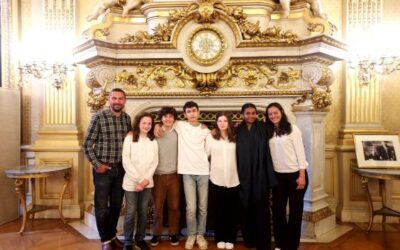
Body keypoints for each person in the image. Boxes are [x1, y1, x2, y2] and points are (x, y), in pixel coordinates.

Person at [155, 101, 210, 250]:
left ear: (198, 112)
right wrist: (157, 125)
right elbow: (164, 122)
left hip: (203, 172)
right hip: (186, 172)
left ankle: (201, 235)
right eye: (189, 112)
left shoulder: (205, 130)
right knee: (191, 208)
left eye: (194, 111)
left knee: (203, 207)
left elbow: (210, 150)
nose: (192, 114)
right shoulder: (179, 125)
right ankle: (191, 234)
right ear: (184, 114)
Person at [83, 88, 131, 250]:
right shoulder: (99, 117)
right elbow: (87, 144)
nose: (117, 101)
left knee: (117, 205)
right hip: (103, 169)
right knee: (102, 206)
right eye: (114, 98)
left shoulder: (127, 119)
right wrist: (98, 165)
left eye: (120, 99)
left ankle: (112, 236)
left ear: (125, 101)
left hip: (120, 170)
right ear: (109, 99)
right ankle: (105, 240)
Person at [266, 102, 308, 250]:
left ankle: (292, 245)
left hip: (296, 175)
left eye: (275, 112)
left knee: (295, 213)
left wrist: (302, 175)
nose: (273, 116)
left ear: (281, 112)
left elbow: (301, 153)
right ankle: (280, 243)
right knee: (278, 212)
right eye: (270, 114)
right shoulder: (269, 130)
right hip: (278, 177)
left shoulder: (292, 129)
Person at [236, 103, 277, 250]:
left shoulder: (265, 128)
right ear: (242, 114)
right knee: (246, 208)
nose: (251, 116)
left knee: (261, 210)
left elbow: (279, 130)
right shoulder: (237, 130)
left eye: (253, 113)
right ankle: (250, 240)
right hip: (243, 176)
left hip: (261, 175)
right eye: (247, 113)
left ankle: (263, 243)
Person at [122, 112, 158, 250]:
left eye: (149, 123)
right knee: (131, 211)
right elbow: (126, 161)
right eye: (144, 123)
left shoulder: (152, 140)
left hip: (147, 183)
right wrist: (139, 179)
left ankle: (140, 238)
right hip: (131, 182)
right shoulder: (130, 138)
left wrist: (145, 181)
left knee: (143, 211)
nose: (147, 126)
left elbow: (155, 162)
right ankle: (128, 241)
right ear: (138, 123)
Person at [206, 112, 239, 250]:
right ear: (216, 123)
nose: (222, 123)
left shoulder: (236, 138)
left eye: (225, 120)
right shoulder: (211, 137)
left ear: (229, 122)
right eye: (220, 120)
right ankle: (220, 237)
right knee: (219, 211)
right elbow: (205, 155)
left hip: (234, 179)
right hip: (216, 179)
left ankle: (230, 238)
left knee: (232, 211)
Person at [150, 107, 181, 247]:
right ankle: (156, 234)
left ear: (174, 118)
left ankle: (173, 233)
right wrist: (155, 125)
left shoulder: (179, 132)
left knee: (174, 206)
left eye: (171, 116)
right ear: (160, 118)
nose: (168, 119)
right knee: (158, 207)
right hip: (158, 175)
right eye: (165, 116)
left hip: (175, 175)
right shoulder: (154, 131)